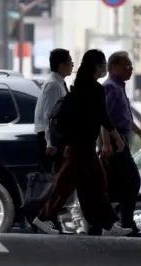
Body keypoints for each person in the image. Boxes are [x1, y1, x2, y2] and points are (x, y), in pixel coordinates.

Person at [32, 49, 132, 237]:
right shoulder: (94, 89)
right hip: (81, 148)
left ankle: (106, 224)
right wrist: (116, 138)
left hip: (79, 146)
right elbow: (103, 116)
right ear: (95, 66)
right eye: (102, 65)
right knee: (70, 185)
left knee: (92, 185)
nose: (104, 68)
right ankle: (44, 218)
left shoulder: (81, 87)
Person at [101, 51, 141, 236]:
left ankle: (119, 222)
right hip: (116, 143)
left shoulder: (119, 87)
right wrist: (107, 144)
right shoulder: (110, 87)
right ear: (114, 66)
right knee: (129, 182)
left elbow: (126, 118)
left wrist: (139, 133)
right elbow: (104, 117)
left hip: (121, 141)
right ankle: (123, 223)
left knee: (126, 183)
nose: (131, 69)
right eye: (127, 65)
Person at [34, 48, 73, 173]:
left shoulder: (58, 82)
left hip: (56, 138)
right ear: (61, 65)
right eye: (70, 61)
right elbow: (49, 116)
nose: (72, 64)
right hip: (51, 140)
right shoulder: (53, 85)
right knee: (50, 180)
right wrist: (49, 143)